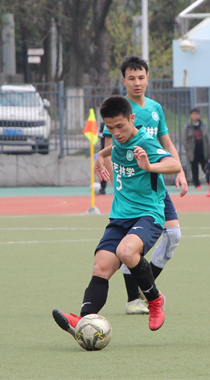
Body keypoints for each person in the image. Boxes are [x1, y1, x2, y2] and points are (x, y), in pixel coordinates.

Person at [52, 95, 181, 339]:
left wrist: (150, 167)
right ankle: (84, 319)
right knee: (100, 267)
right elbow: (116, 147)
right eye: (110, 128)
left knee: (125, 252)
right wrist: (100, 156)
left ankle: (155, 300)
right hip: (119, 217)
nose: (116, 133)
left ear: (132, 119)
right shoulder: (120, 141)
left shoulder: (145, 142)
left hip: (148, 215)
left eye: (120, 126)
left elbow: (174, 165)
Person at [99, 56, 188, 315]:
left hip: (155, 182)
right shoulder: (118, 111)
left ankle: (142, 288)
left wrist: (180, 172)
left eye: (141, 77)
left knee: (173, 235)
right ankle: (133, 300)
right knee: (130, 243)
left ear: (148, 78)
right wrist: (116, 181)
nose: (137, 82)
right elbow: (111, 150)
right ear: (123, 81)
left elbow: (166, 144)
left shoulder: (155, 108)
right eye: (131, 78)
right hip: (133, 190)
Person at [184, 108, 210, 189]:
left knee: (206, 168)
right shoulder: (188, 127)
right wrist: (188, 149)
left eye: (197, 114)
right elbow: (184, 140)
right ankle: (197, 184)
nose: (195, 116)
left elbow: (207, 139)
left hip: (202, 151)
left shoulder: (203, 125)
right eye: (194, 114)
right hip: (193, 151)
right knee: (194, 168)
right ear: (191, 115)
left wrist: (209, 151)